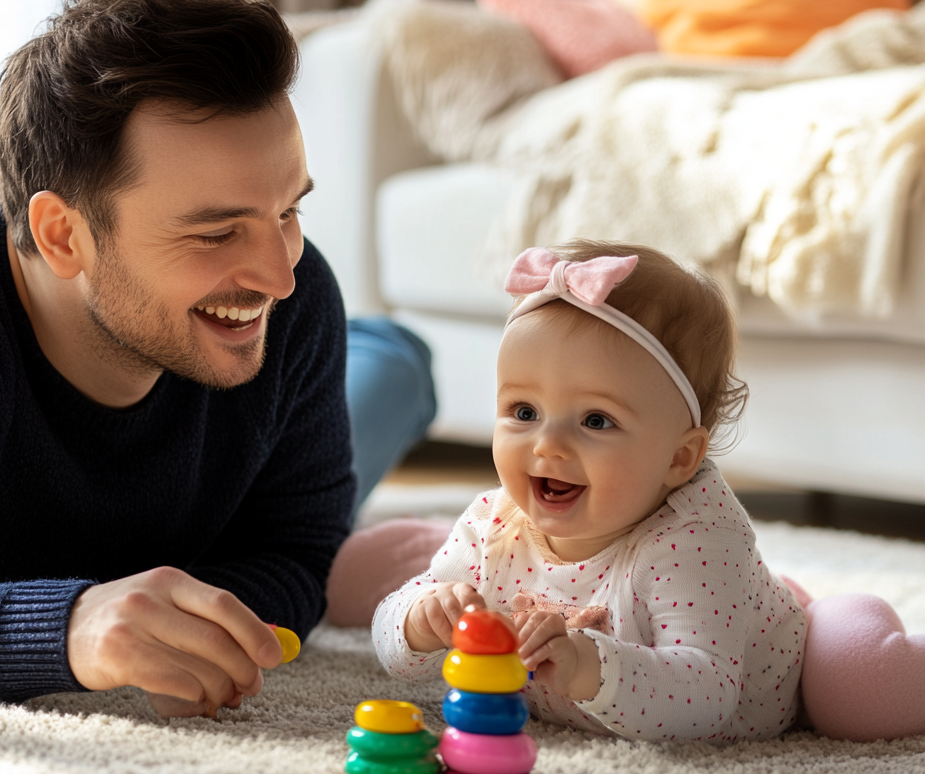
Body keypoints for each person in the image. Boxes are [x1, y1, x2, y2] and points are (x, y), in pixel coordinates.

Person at [0, 0, 433, 716]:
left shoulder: (297, 293)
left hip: (225, 391)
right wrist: (67, 629)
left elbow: (297, 556)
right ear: (63, 235)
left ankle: (391, 348)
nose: (279, 275)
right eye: (216, 232)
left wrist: (184, 620)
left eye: (287, 211)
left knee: (400, 370)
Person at [373, 240, 925, 742]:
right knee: (398, 590)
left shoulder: (693, 544)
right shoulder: (496, 521)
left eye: (595, 420)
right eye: (524, 411)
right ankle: (384, 549)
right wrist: (421, 619)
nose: (549, 444)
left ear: (680, 457)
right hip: (731, 596)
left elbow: (706, 695)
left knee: (858, 692)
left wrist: (590, 665)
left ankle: (843, 625)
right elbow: (399, 644)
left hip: (789, 659)